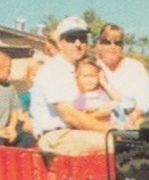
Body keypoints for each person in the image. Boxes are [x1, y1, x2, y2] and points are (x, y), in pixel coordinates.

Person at [30, 16, 116, 154]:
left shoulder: (74, 69)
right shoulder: (54, 70)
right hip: (56, 137)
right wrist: (113, 131)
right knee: (119, 144)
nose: (78, 43)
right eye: (71, 38)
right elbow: (71, 116)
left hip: (73, 133)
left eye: (82, 38)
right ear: (60, 43)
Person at [96, 23, 149, 128]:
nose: (112, 47)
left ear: (122, 47)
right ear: (99, 44)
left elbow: (144, 102)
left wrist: (132, 117)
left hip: (131, 118)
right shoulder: (93, 67)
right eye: (107, 42)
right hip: (100, 120)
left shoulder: (135, 68)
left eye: (117, 43)